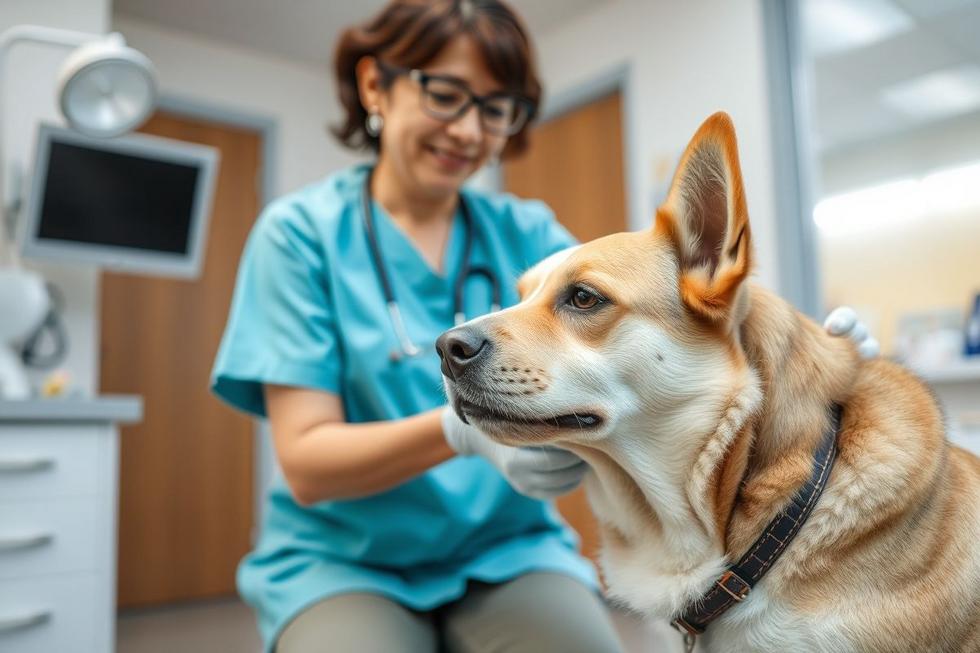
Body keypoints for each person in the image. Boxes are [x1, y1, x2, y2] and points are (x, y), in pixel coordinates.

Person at [210, 1, 877, 651]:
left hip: (509, 550)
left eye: (496, 108)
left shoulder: (527, 232)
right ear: (375, 85)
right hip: (344, 562)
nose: (471, 131)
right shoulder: (299, 236)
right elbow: (305, 462)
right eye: (446, 94)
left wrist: (807, 362)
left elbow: (655, 326)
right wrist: (460, 433)